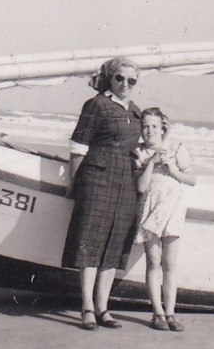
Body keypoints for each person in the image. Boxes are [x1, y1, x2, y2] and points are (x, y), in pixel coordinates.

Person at [62, 57, 144, 331]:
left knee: (113, 244)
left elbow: (139, 149)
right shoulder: (96, 105)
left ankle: (103, 308)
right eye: (120, 78)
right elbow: (77, 147)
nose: (125, 84)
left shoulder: (136, 112)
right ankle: (86, 307)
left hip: (125, 183)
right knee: (90, 242)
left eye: (132, 80)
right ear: (110, 77)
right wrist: (73, 185)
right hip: (96, 179)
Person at [133, 107, 196, 332]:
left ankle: (170, 313)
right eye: (145, 126)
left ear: (163, 129)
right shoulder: (139, 152)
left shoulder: (176, 149)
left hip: (173, 208)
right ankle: (157, 313)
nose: (149, 130)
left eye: (154, 126)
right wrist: (151, 163)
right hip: (151, 208)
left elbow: (191, 179)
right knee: (154, 262)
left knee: (170, 264)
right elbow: (140, 187)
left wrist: (171, 169)